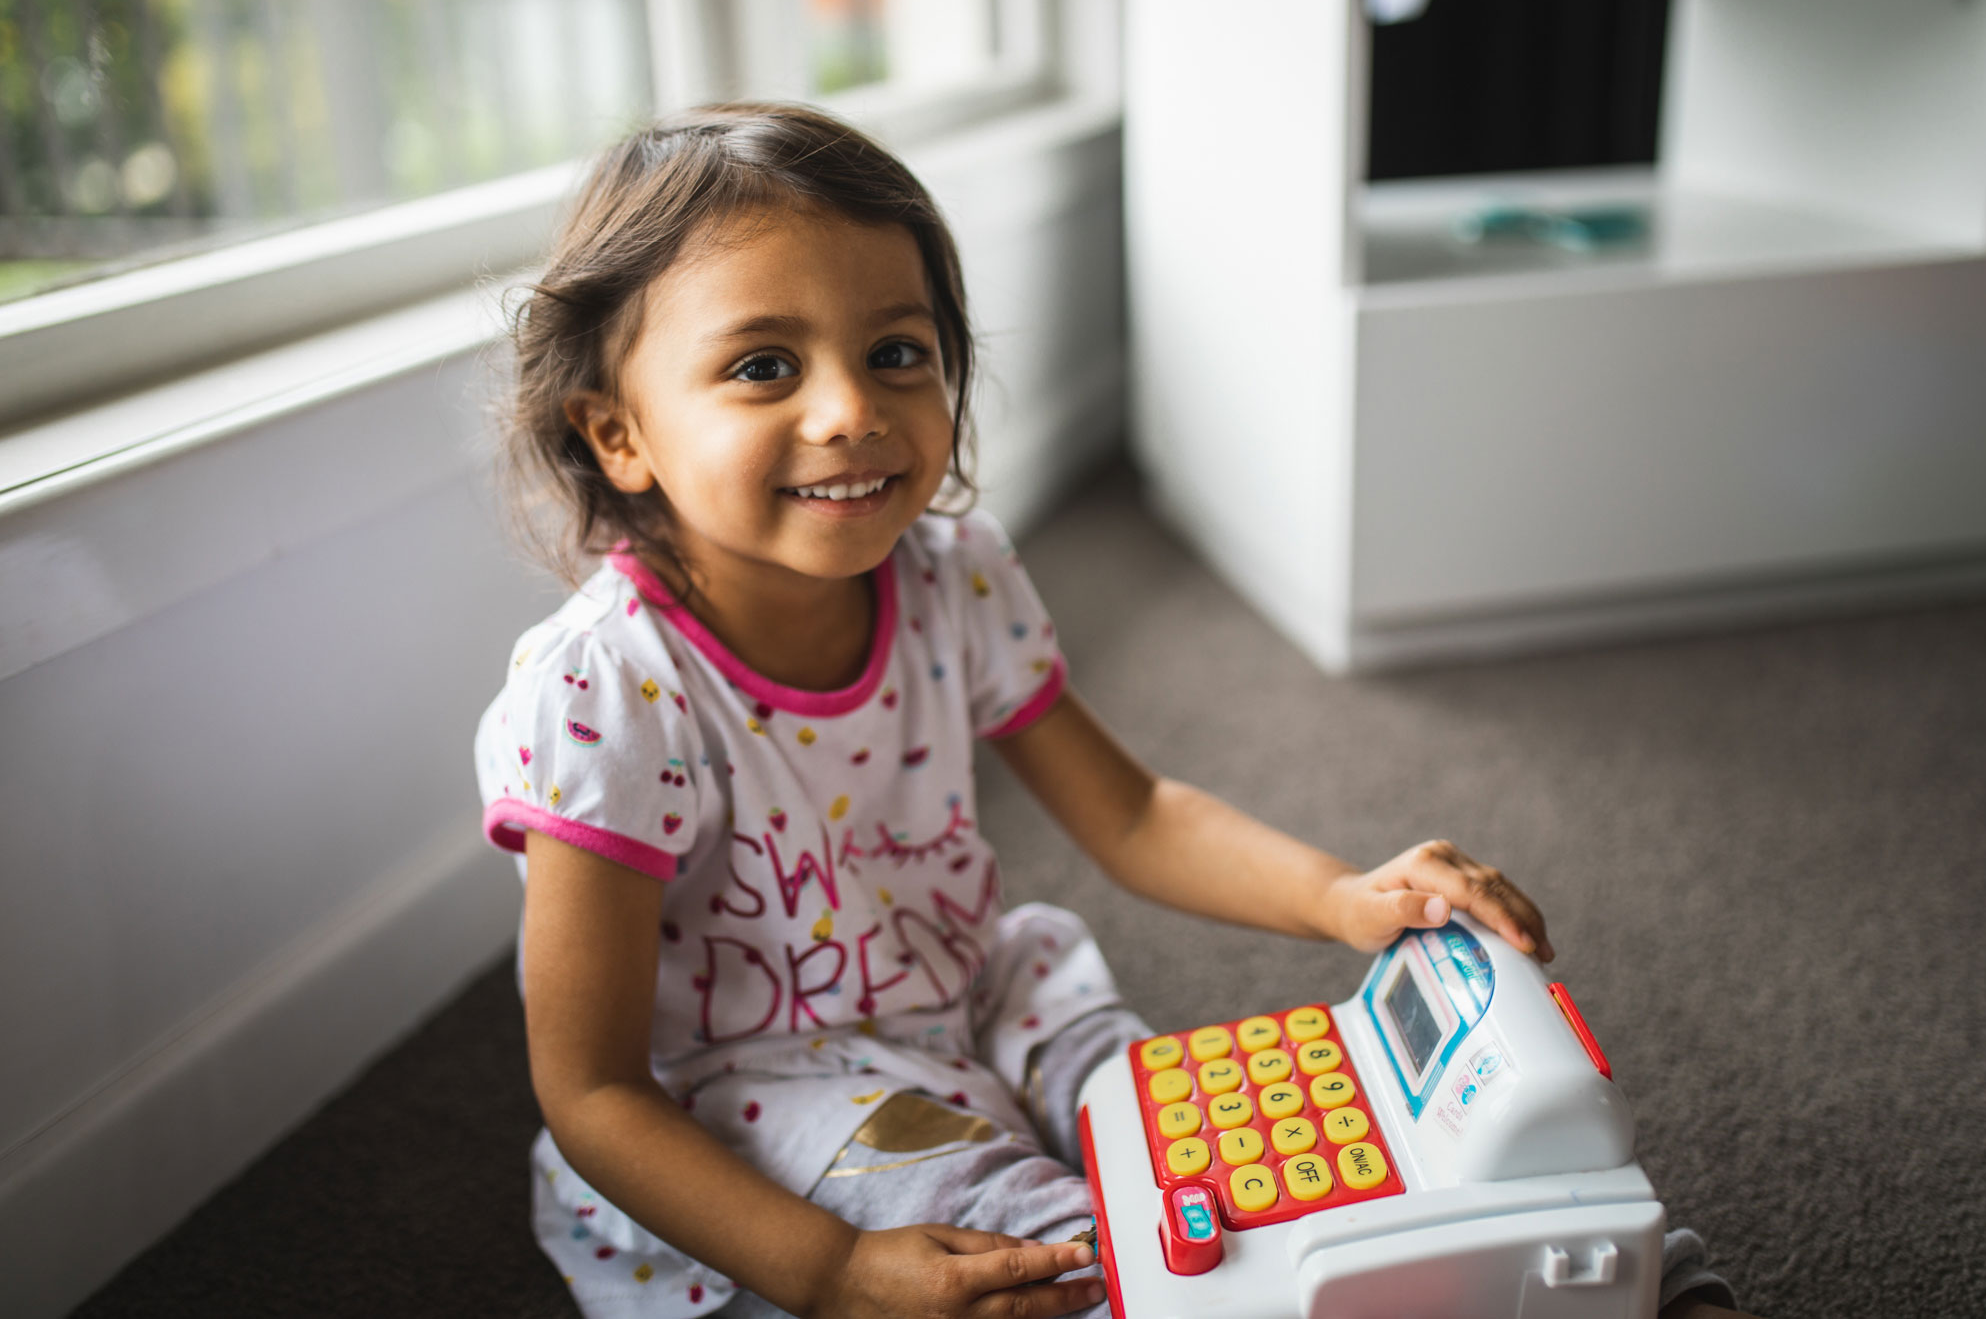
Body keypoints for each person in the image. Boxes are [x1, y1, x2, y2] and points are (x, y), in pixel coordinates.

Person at [473, 103, 1733, 1319]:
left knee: (1200, 1136)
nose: (850, 408)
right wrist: (830, 1275)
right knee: (1065, 1253)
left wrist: (1343, 898)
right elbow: (590, 1090)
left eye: (896, 352)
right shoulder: (597, 691)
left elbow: (1130, 812)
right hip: (765, 1088)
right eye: (762, 366)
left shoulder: (951, 570)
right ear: (618, 432)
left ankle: (1561, 1247)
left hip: (977, 987)